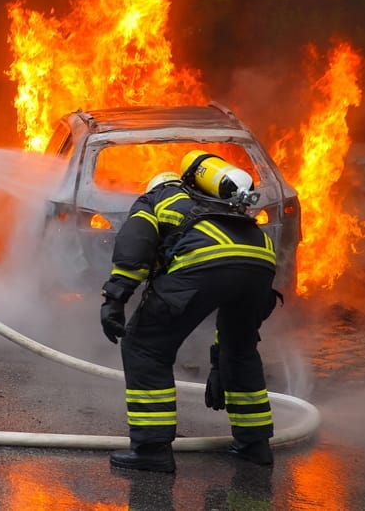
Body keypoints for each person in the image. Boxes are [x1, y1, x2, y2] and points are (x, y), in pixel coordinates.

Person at [99, 166, 280, 473]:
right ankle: (255, 446)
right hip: (261, 259)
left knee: (145, 346)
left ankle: (151, 449)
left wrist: (115, 298)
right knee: (239, 349)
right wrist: (219, 363)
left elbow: (135, 244)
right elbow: (231, 320)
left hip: (205, 261)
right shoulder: (213, 204)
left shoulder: (154, 199)